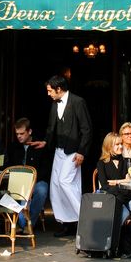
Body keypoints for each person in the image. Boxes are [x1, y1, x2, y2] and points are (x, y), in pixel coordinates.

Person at [34, 75, 92, 237]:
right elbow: (51, 127)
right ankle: (66, 223)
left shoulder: (78, 102)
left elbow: (87, 129)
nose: (48, 94)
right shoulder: (54, 104)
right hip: (59, 150)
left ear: (59, 89)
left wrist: (82, 151)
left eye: (50, 90)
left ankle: (85, 220)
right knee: (56, 186)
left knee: (66, 183)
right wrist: (45, 142)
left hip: (73, 151)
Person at [96, 133, 131, 253]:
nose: (121, 146)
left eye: (121, 144)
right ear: (108, 146)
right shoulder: (102, 163)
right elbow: (105, 186)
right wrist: (124, 182)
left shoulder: (128, 161)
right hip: (113, 198)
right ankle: (117, 243)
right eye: (117, 144)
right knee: (123, 215)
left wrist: (117, 182)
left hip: (127, 196)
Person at [7, 117, 52, 231]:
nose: (19, 136)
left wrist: (31, 182)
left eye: (22, 133)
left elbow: (45, 169)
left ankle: (27, 223)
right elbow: (7, 166)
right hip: (17, 182)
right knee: (15, 194)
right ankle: (25, 224)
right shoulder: (13, 147)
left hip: (36, 181)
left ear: (29, 131)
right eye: (17, 134)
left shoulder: (39, 146)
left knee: (42, 190)